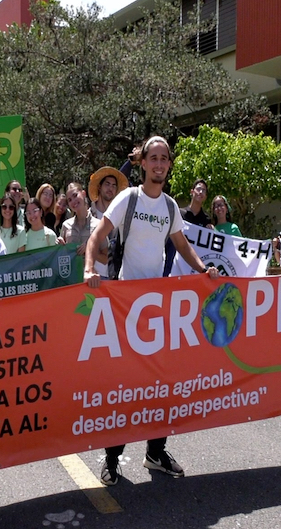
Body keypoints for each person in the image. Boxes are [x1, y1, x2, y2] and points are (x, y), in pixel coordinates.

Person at [84, 136, 220, 485]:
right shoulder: (128, 199)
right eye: (153, 158)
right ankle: (112, 459)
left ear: (169, 165)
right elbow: (97, 235)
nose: (158, 164)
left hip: (157, 307)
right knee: (125, 386)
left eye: (164, 158)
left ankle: (155, 453)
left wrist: (203, 268)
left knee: (161, 384)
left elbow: (181, 244)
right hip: (125, 305)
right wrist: (88, 269)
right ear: (142, 163)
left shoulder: (171, 207)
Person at [61, 182, 107, 273]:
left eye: (75, 195)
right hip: (72, 279)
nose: (73, 201)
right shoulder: (66, 226)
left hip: (93, 280)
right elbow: (62, 257)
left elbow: (106, 259)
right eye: (69, 200)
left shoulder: (98, 225)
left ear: (83, 193)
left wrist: (89, 249)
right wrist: (60, 246)